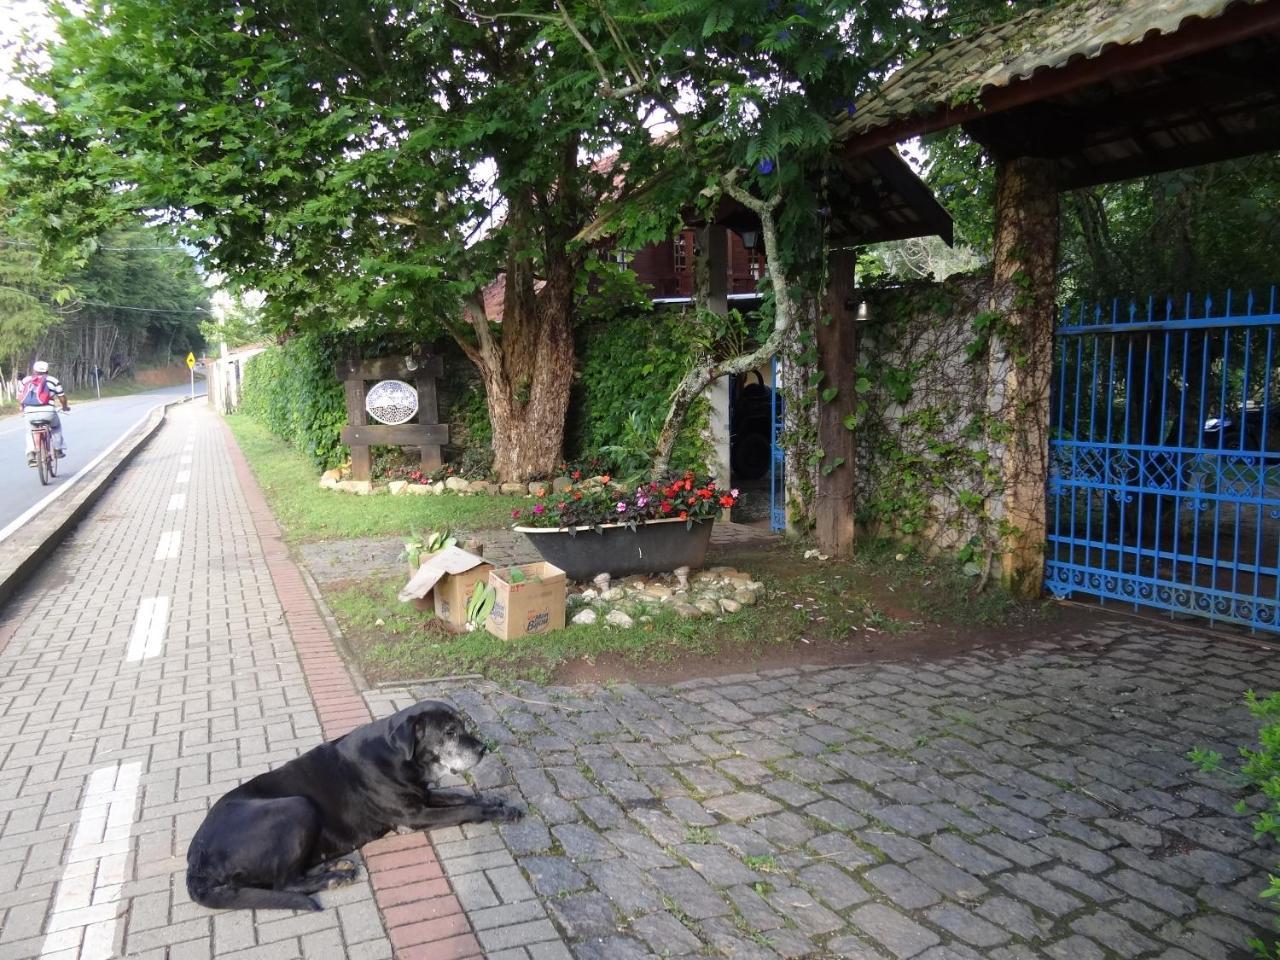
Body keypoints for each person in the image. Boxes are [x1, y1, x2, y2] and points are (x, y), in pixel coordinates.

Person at [19, 360, 69, 466]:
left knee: (29, 431)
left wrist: (23, 407)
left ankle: (31, 454)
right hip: (48, 411)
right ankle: (57, 449)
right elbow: (62, 397)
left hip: (30, 412)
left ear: (34, 370)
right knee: (56, 427)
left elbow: (20, 397)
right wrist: (64, 407)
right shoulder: (53, 380)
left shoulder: (26, 380)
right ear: (47, 370)